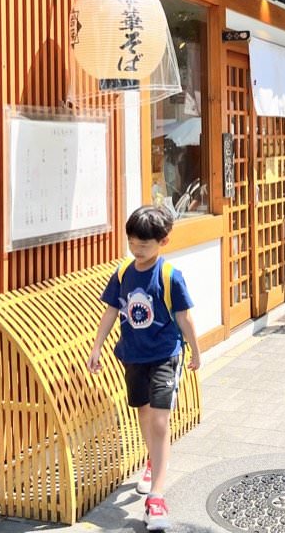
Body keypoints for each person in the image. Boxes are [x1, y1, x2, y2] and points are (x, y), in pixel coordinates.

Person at [87, 206, 201, 531]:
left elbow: (184, 318)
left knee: (161, 421)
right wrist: (97, 346)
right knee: (144, 413)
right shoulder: (123, 273)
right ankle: (153, 460)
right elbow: (111, 311)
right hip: (133, 356)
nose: (137, 249)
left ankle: (157, 498)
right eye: (132, 243)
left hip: (165, 356)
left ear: (164, 241)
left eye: (144, 244)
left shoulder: (170, 276)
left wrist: (195, 351)